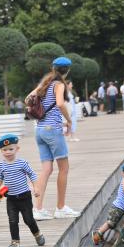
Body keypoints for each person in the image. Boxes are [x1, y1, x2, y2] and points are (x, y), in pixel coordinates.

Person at [25, 57, 80, 220]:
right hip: (53, 130)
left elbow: (28, 99)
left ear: (53, 68)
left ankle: (38, 209)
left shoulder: (44, 83)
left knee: (46, 169)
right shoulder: (59, 84)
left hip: (40, 130)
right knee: (64, 168)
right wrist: (69, 121)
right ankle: (61, 207)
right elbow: (60, 104)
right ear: (68, 70)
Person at [0, 134, 45, 247]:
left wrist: (36, 188)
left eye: (11, 149)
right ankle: (15, 242)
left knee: (28, 219)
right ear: (1, 150)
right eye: (5, 150)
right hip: (11, 199)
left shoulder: (22, 163)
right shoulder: (1, 165)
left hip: (24, 197)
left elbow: (32, 174)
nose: (8, 152)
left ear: (17, 149)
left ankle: (37, 234)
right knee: (12, 220)